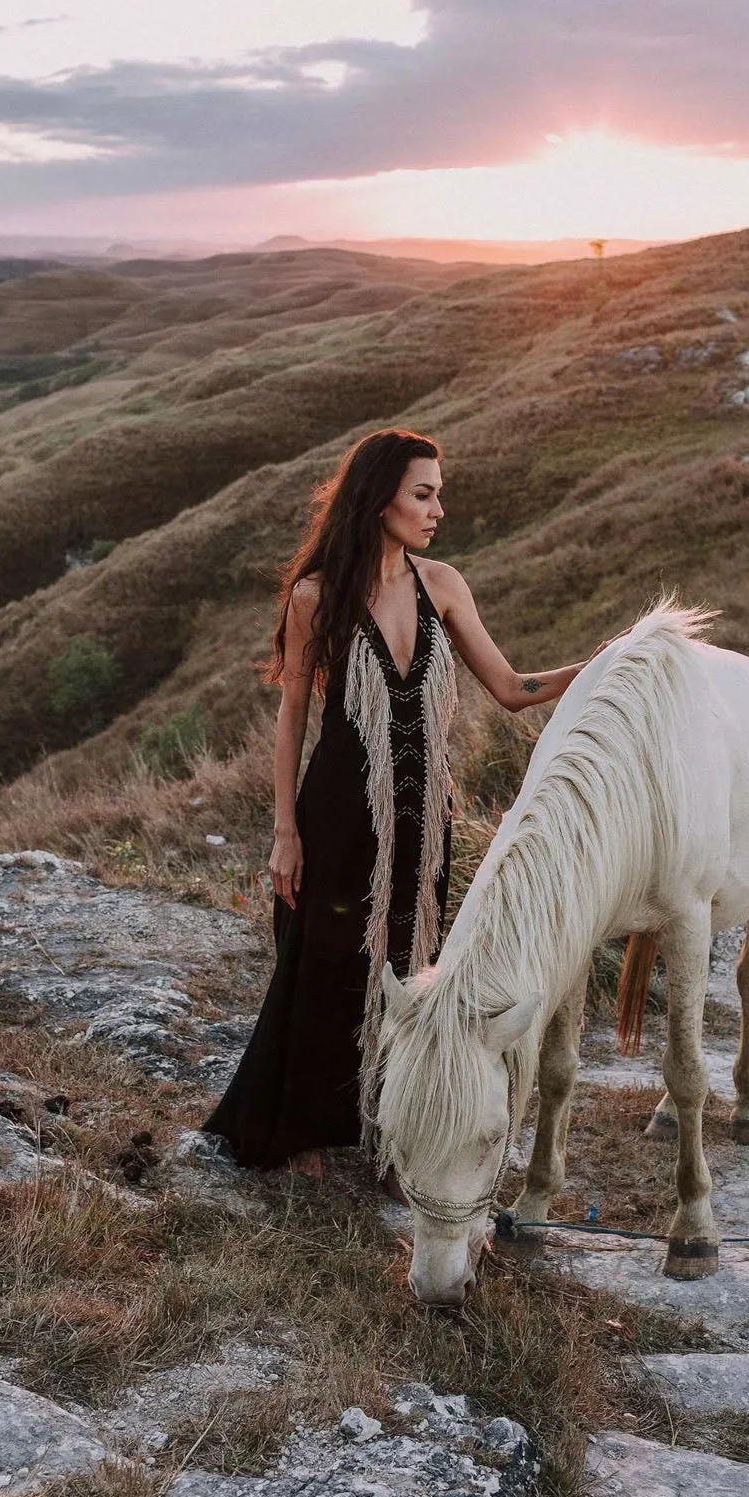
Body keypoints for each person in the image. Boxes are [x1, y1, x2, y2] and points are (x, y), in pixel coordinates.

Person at [208, 428, 586, 1172]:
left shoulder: (441, 584)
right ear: (378, 498)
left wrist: (609, 658)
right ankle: (304, 1130)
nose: (437, 508)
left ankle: (394, 1128)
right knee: (322, 967)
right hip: (341, 813)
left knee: (413, 974)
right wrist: (285, 831)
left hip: (422, 823)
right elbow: (291, 721)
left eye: (437, 493)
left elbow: (514, 691)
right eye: (423, 493)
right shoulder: (315, 599)